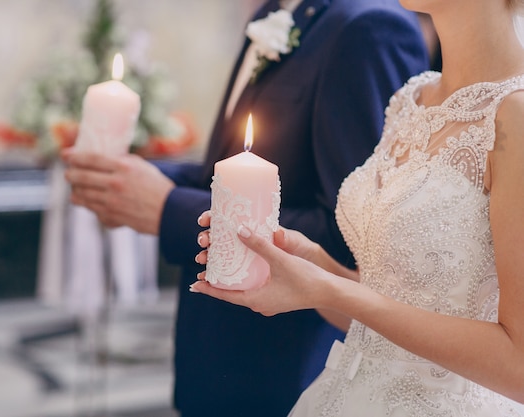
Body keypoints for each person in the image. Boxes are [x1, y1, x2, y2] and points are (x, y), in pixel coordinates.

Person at [62, 0, 428, 415]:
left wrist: (168, 208)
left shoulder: (368, 28)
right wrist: (134, 181)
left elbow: (351, 236)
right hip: (215, 351)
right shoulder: (271, 14)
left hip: (287, 368)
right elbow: (236, 173)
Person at [191, 0, 524, 415]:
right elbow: (381, 322)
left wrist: (334, 288)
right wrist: (315, 270)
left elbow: (518, 366)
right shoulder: (412, 98)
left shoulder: (517, 116)